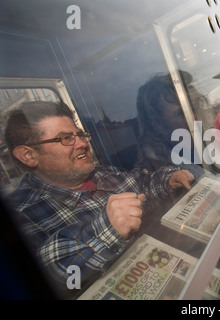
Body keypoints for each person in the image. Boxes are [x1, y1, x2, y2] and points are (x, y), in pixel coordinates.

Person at [3, 101, 195, 295]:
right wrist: (108, 228)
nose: (83, 143)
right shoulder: (19, 213)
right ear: (28, 155)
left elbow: (143, 184)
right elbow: (54, 274)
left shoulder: (102, 173)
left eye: (79, 135)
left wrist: (168, 180)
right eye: (66, 138)